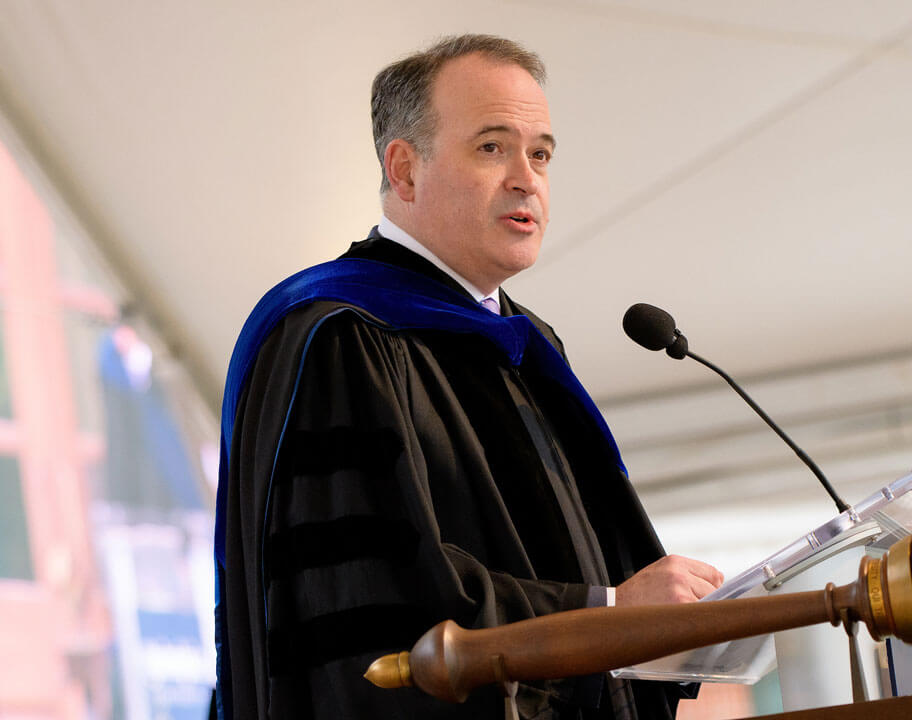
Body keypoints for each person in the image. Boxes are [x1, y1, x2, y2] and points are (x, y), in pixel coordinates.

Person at [213, 34, 722, 720]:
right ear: (405, 171)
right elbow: (379, 597)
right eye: (492, 147)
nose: (527, 178)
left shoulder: (527, 344)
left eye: (540, 153)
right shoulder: (340, 338)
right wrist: (610, 611)